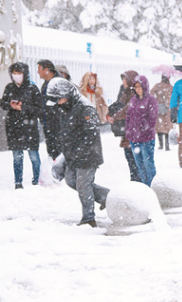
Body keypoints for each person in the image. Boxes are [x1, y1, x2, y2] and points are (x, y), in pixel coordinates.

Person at [44, 77, 110, 227]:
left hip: (88, 154)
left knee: (83, 184)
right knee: (71, 181)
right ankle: (107, 196)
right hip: (72, 154)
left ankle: (88, 218)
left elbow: (90, 135)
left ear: (67, 94)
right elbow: (67, 133)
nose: (58, 103)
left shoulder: (85, 108)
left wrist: (79, 152)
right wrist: (65, 154)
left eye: (59, 99)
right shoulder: (65, 107)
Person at [2, 62, 42, 189]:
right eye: (14, 73)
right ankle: (18, 182)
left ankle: (37, 179)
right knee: (17, 156)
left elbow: (39, 109)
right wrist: (11, 105)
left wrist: (23, 108)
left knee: (34, 156)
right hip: (14, 127)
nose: (16, 76)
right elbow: (3, 103)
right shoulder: (9, 87)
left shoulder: (32, 89)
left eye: (19, 73)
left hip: (29, 128)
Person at [105, 70, 142, 182]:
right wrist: (109, 114)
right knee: (129, 156)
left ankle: (138, 179)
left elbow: (127, 109)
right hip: (128, 130)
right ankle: (135, 178)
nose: (123, 81)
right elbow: (118, 105)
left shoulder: (134, 93)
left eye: (125, 79)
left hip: (135, 130)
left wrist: (115, 117)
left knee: (133, 156)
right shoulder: (126, 92)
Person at [125, 75, 159, 186]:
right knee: (140, 165)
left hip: (146, 139)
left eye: (140, 86)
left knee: (148, 164)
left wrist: (144, 129)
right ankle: (145, 186)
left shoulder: (151, 100)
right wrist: (128, 130)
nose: (138, 89)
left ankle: (153, 186)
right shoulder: (133, 100)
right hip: (134, 139)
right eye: (136, 87)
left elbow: (152, 119)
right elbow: (128, 116)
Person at [37, 59, 63, 165]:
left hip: (59, 124)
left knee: (60, 150)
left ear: (46, 70)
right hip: (49, 123)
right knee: (52, 150)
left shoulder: (59, 83)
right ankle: (56, 172)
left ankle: (63, 174)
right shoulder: (46, 84)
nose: (38, 72)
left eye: (39, 69)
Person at [150, 75, 173, 150]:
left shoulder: (157, 86)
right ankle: (167, 145)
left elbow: (151, 93)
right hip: (168, 109)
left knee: (159, 127)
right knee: (167, 128)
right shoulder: (170, 87)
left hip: (159, 109)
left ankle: (161, 145)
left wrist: (156, 101)